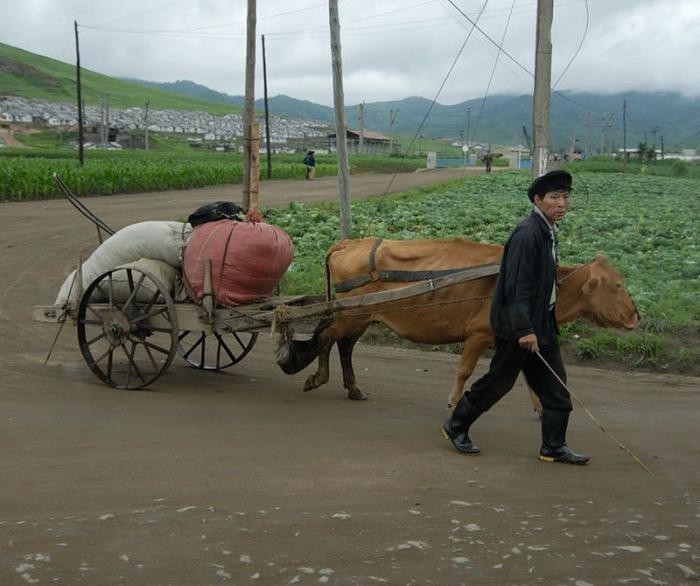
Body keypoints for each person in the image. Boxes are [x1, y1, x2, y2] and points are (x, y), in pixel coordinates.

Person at [442, 169, 589, 465]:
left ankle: (554, 446)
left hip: (542, 325)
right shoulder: (528, 234)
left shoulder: (548, 231)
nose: (561, 203)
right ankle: (455, 425)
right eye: (554, 197)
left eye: (565, 197)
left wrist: (541, 324)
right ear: (538, 199)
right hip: (519, 328)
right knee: (498, 383)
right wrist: (524, 329)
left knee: (556, 386)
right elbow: (516, 288)